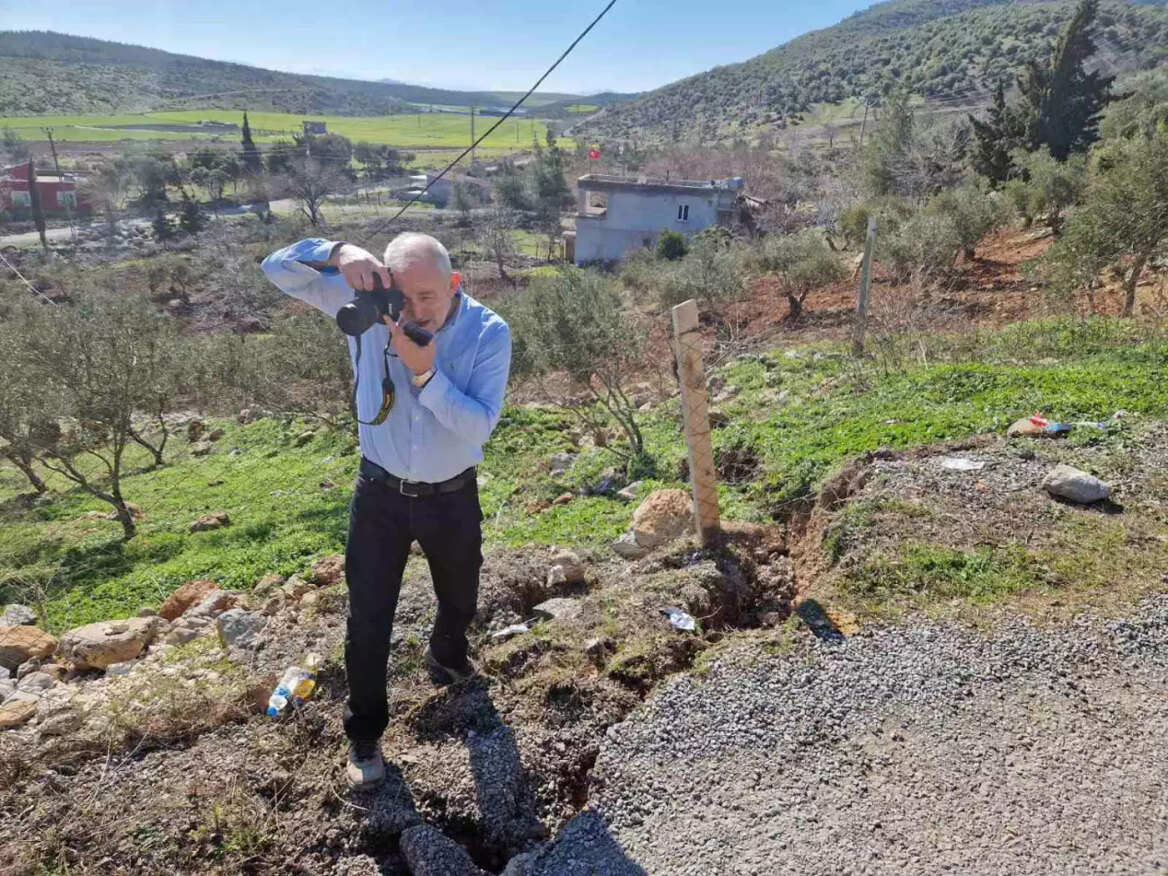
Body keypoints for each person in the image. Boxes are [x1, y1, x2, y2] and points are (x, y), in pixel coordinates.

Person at [261, 233, 511, 786]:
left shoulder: (488, 332)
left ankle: (446, 655)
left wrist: (424, 373)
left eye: (427, 297)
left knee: (461, 595)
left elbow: (479, 425)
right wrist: (337, 253)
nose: (412, 312)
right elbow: (275, 269)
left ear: (454, 284)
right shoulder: (377, 308)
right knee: (369, 619)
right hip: (378, 495)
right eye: (403, 298)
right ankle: (365, 734)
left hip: (452, 495)